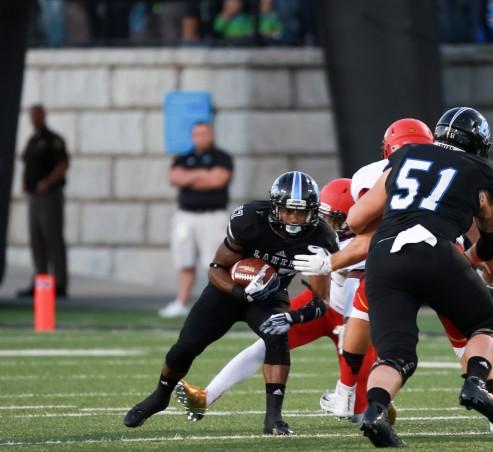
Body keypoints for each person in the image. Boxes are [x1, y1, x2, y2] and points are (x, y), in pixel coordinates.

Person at [295, 118, 493, 442]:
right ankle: (475, 383)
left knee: (396, 357)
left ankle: (375, 411)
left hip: (384, 259)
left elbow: (356, 220)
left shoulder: (405, 158)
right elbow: (491, 242)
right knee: (487, 329)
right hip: (439, 252)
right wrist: (479, 264)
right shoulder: (484, 172)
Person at [124, 171, 338, 435]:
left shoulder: (321, 238)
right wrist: (240, 293)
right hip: (229, 290)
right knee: (187, 346)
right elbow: (215, 268)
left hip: (271, 295)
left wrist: (293, 318)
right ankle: (159, 396)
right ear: (274, 207)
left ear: (313, 212)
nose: (293, 219)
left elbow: (321, 302)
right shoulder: (250, 220)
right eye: (287, 211)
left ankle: (273, 418)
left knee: (277, 336)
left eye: (301, 212)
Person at [172, 178, 382, 423]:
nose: (328, 224)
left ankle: (372, 401)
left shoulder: (364, 242)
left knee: (358, 410)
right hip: (321, 308)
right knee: (265, 345)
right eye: (324, 215)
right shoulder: (316, 234)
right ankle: (204, 398)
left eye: (336, 218)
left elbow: (356, 281)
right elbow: (318, 293)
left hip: (354, 317)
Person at [160, 122, 234, 318]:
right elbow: (175, 177)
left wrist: (191, 178)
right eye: (196, 134)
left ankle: (218, 303)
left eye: (204, 133)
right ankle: (181, 301)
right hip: (186, 216)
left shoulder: (222, 157)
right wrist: (203, 174)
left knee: (215, 263)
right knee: (184, 260)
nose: (200, 137)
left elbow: (218, 180)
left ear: (211, 134)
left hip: (212, 216)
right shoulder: (184, 157)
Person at [17, 104, 70, 299]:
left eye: (36, 115)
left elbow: (63, 163)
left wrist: (47, 182)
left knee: (53, 238)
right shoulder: (32, 140)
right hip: (34, 197)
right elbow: (26, 163)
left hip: (49, 196)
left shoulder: (53, 140)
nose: (34, 119)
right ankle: (41, 281)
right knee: (36, 239)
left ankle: (60, 283)